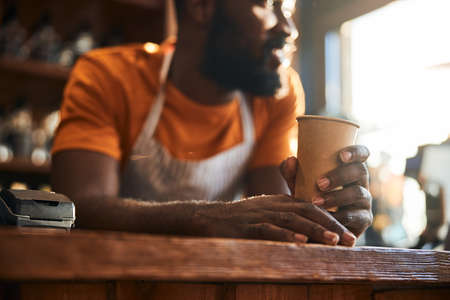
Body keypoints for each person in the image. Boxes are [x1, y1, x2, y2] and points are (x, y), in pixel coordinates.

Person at [51, 0, 372, 246]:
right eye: (266, 5)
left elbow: (276, 223)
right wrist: (203, 216)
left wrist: (328, 222)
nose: (288, 28)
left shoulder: (278, 94)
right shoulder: (108, 76)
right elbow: (80, 206)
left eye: (286, 7)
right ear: (200, 5)